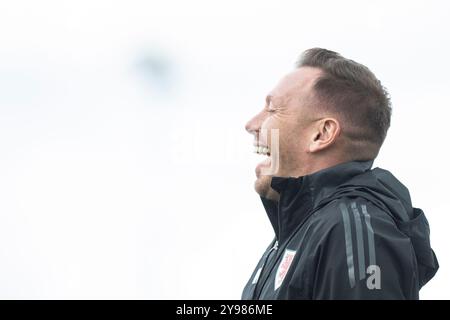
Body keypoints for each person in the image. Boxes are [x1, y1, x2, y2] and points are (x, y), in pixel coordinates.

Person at [241, 48, 438, 300]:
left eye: (273, 109)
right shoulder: (303, 232)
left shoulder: (354, 232)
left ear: (322, 134)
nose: (252, 125)